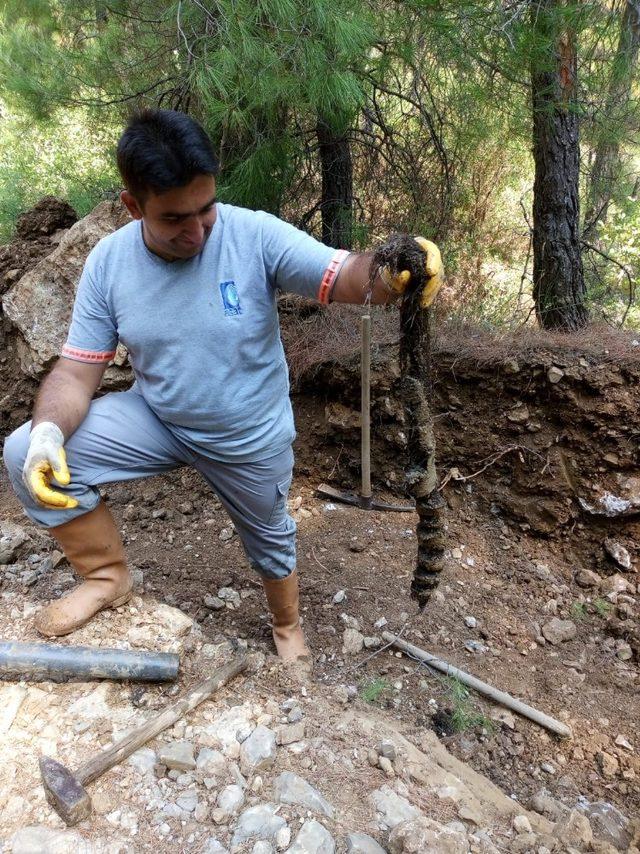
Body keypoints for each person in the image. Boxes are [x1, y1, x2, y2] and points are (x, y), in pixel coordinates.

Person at [3, 109, 443, 668]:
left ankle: (286, 626)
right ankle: (107, 577)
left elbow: (343, 275)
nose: (197, 230)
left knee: (271, 539)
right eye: (175, 218)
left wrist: (392, 271)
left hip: (247, 431)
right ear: (133, 206)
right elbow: (74, 372)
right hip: (157, 418)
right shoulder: (109, 264)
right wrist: (47, 434)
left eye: (205, 209)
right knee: (23, 452)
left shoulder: (252, 234)